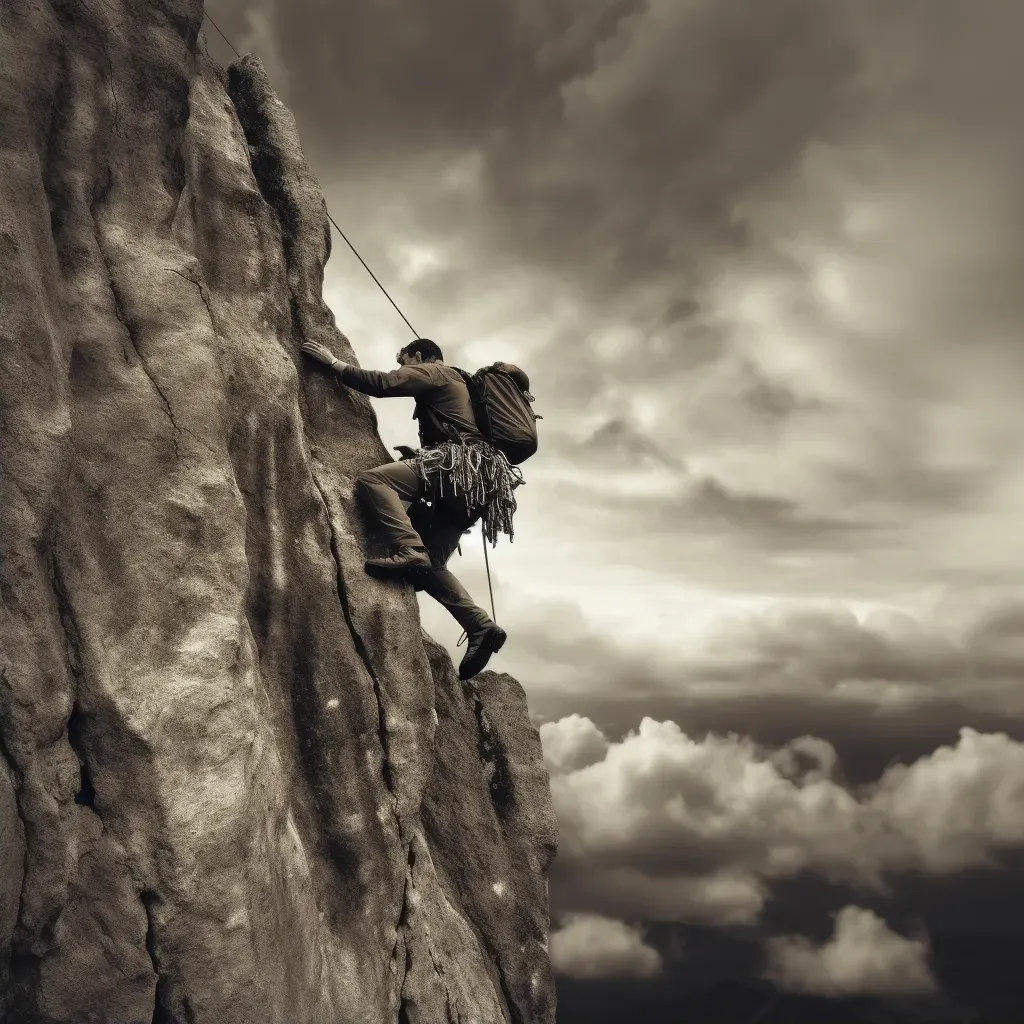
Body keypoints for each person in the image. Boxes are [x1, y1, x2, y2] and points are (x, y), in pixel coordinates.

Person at [300, 337, 524, 681]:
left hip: (457, 466)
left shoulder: (435, 371)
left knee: (375, 482)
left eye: (403, 359)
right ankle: (480, 625)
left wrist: (334, 363)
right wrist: (419, 457)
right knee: (432, 566)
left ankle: (408, 547)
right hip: (483, 483)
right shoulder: (464, 385)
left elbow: (385, 383)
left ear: (418, 355)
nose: (403, 366)